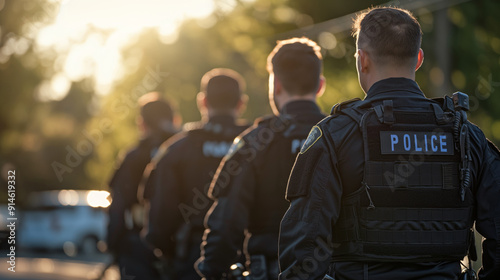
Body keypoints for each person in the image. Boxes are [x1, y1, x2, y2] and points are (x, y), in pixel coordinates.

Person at [279, 7, 500, 280]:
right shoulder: (467, 136)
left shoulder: (337, 134)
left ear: (362, 60)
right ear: (418, 59)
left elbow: (302, 244)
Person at [195, 37, 326, 280]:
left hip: (269, 270)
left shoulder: (255, 142)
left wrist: (211, 271)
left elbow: (226, 224)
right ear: (320, 85)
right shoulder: (343, 136)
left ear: (275, 85)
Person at [143, 68, 249, 280]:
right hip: (248, 262)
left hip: (191, 262)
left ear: (203, 101)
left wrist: (172, 256)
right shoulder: (259, 146)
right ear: (241, 103)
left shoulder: (175, 150)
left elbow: (159, 218)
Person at [107, 92, 179, 280]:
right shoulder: (187, 153)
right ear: (175, 119)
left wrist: (113, 244)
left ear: (141, 123)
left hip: (138, 246)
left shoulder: (133, 157)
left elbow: (118, 206)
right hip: (183, 248)